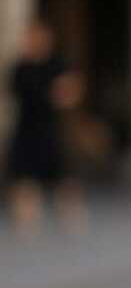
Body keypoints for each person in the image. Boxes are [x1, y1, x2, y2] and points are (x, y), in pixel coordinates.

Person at [3, 19, 86, 237]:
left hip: (50, 128)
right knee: (23, 176)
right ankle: (26, 223)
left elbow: (70, 92)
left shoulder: (57, 64)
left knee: (62, 176)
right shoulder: (21, 66)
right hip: (26, 126)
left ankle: (71, 220)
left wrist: (60, 95)